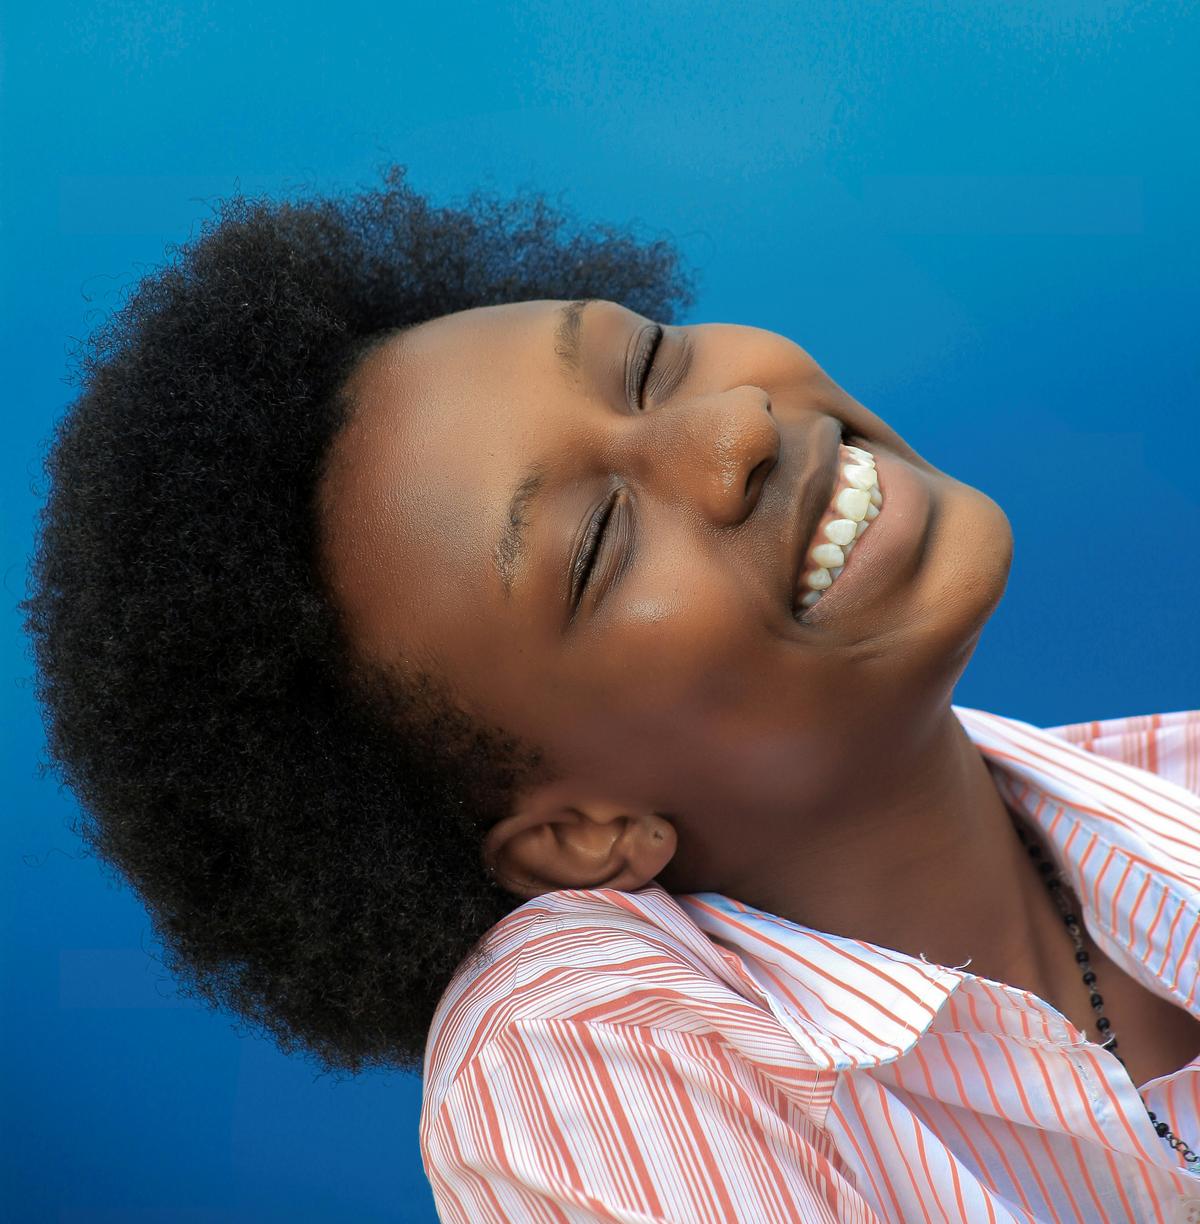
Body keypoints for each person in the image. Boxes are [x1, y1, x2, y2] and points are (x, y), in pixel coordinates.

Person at [23, 166, 1200, 1222]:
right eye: (597, 546)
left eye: (647, 362)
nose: (734, 426)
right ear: (578, 835)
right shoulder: (576, 1045)